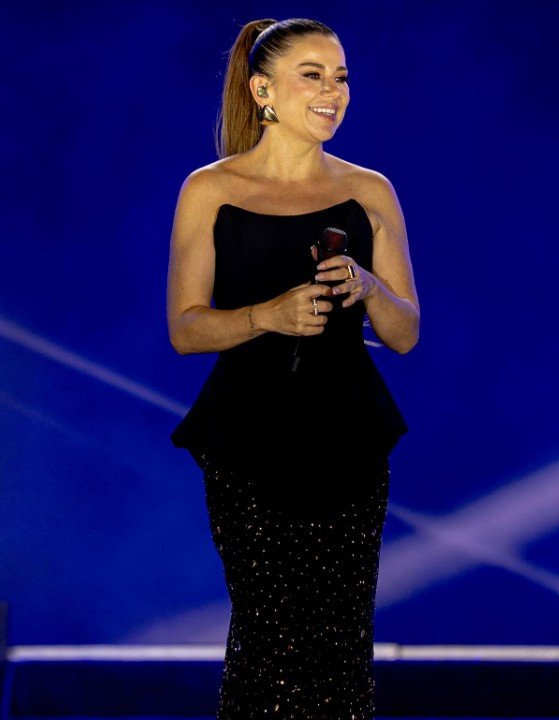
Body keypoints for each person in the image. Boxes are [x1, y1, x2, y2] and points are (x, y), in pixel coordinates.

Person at [167, 18, 419, 718]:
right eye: (313, 75)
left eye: (341, 77)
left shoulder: (370, 191)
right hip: (248, 444)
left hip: (349, 442)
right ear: (263, 91)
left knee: (340, 644)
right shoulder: (210, 190)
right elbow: (185, 328)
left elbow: (405, 333)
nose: (333, 91)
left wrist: (369, 288)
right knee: (269, 640)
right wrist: (267, 316)